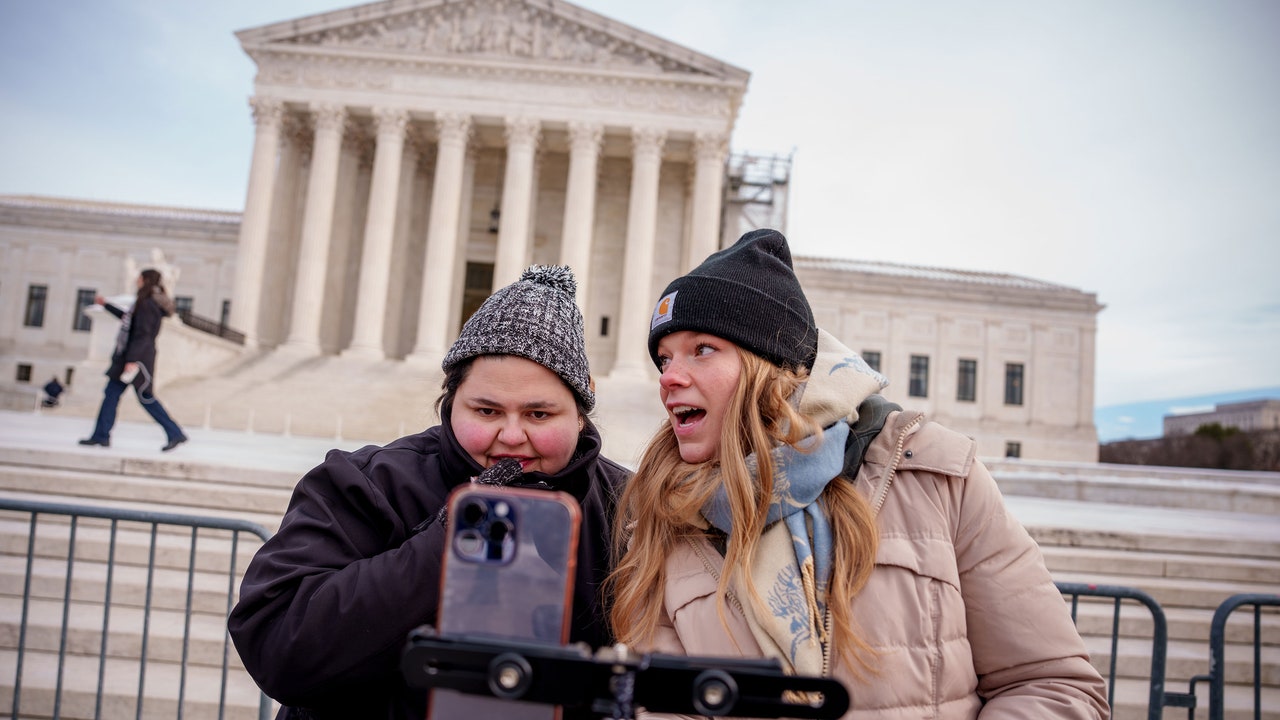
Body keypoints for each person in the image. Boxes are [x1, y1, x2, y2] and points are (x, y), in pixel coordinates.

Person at [607, 229, 1110, 719]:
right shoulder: (660, 517)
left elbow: (1053, 685)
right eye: (664, 358)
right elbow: (659, 703)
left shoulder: (936, 478)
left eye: (702, 350)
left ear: (771, 365)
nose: (669, 377)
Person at [228, 265, 630, 720]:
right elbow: (280, 647)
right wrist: (455, 537)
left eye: (539, 414)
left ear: (579, 414)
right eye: (487, 410)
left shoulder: (630, 509)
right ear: (451, 400)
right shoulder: (365, 483)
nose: (512, 435)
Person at [79, 268, 188, 452]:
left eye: (139, 278)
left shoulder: (147, 304)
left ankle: (175, 432)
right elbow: (128, 320)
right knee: (112, 395)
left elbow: (143, 334)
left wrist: (133, 360)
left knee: (144, 397)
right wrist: (106, 305)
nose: (136, 280)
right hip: (133, 357)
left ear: (145, 280)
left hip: (137, 359)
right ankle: (101, 435)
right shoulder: (146, 303)